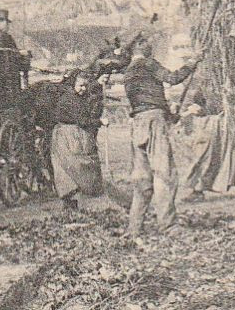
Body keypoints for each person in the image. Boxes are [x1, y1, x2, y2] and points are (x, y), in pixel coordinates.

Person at [117, 38, 197, 238]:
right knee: (164, 174)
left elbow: (146, 100)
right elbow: (172, 78)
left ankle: (134, 228)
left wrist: (170, 114)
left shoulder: (129, 72)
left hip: (138, 123)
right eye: (144, 42)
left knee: (142, 179)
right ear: (137, 47)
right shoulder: (147, 63)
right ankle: (168, 226)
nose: (149, 44)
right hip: (153, 121)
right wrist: (192, 62)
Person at [51, 70, 131, 212]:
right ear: (73, 84)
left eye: (85, 86)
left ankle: (73, 204)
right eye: (80, 86)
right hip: (68, 136)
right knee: (77, 166)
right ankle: (81, 202)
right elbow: (82, 120)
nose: (83, 89)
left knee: (72, 169)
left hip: (70, 135)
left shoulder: (77, 96)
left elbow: (90, 103)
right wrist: (100, 121)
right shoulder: (69, 99)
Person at [184, 83, 235, 199]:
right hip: (211, 119)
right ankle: (198, 188)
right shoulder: (202, 76)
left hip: (226, 117)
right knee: (206, 152)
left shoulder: (229, 75)